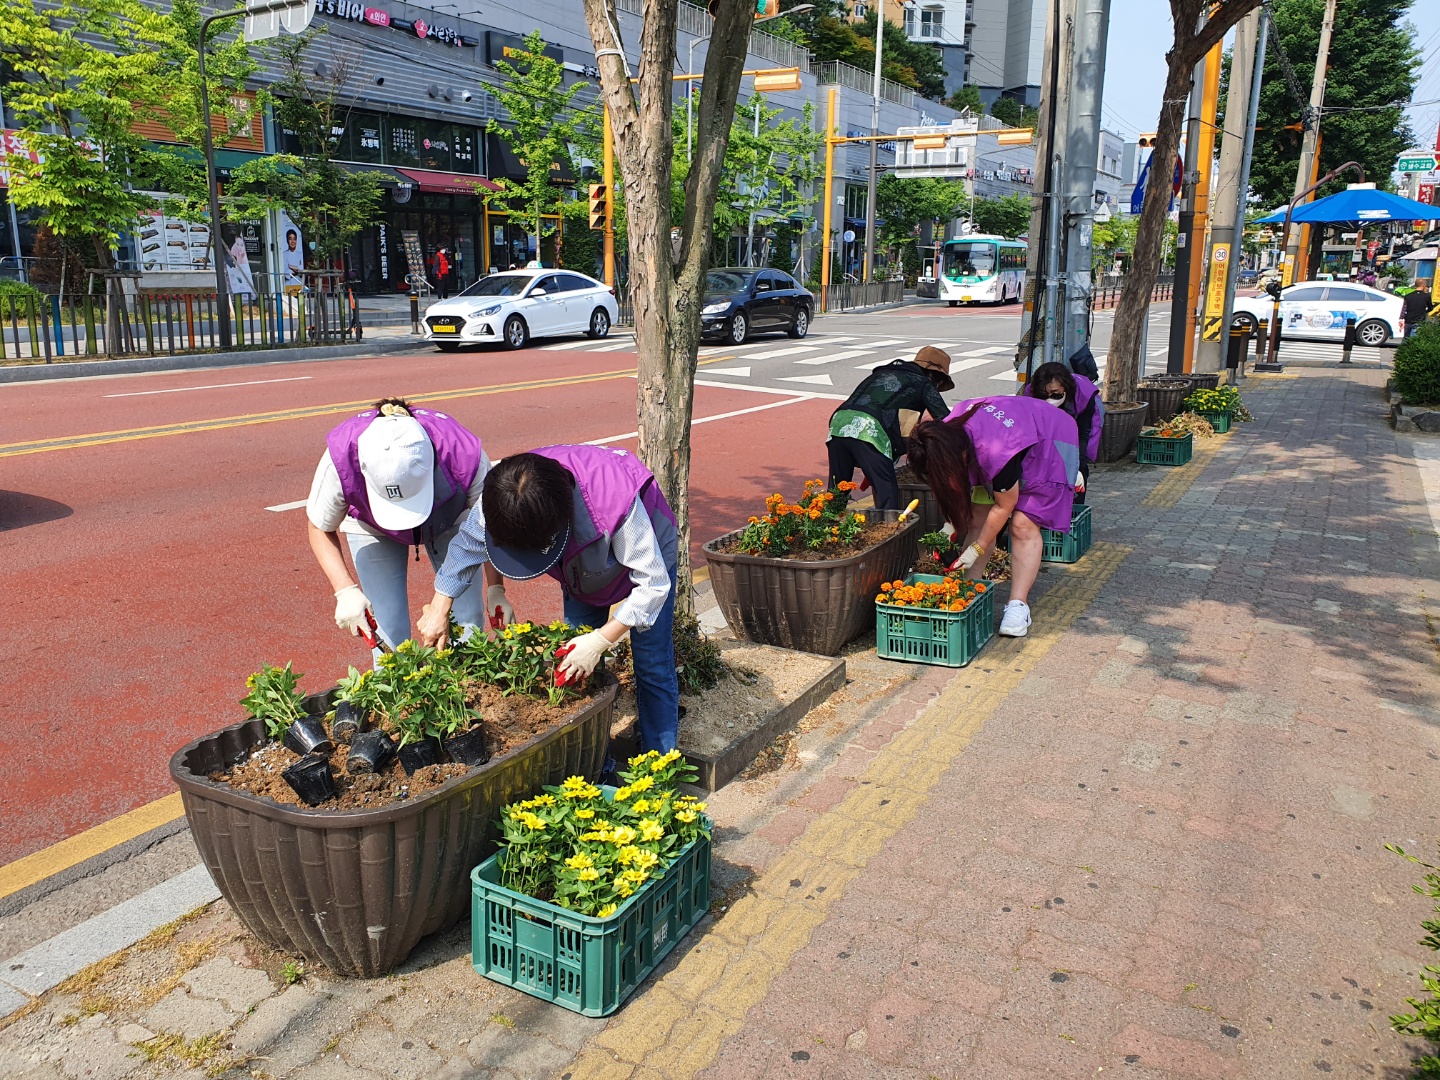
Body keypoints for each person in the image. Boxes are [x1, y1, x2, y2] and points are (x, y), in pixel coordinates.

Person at [416, 445, 680, 756]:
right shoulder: (503, 496)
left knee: (651, 663)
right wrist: (440, 608)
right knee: (575, 664)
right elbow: (466, 547)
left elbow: (653, 585)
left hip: (646, 556)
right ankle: (595, 763)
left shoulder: (611, 500)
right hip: (580, 568)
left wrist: (600, 641)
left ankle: (660, 763)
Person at [307, 398, 509, 657]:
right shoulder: (340, 458)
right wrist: (345, 591)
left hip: (450, 516)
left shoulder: (464, 455)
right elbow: (319, 527)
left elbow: (488, 525)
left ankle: (466, 685)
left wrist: (496, 589)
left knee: (467, 622)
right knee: (387, 629)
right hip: (372, 524)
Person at [908, 395, 1080, 639]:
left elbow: (1004, 505)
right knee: (978, 517)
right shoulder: (938, 436)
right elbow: (963, 496)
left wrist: (977, 548)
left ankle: (1018, 606)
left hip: (1049, 439)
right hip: (1008, 432)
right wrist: (951, 527)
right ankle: (970, 589)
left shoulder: (997, 449)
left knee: (1022, 524)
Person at [827, 346, 955, 511]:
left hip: (839, 422)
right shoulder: (923, 383)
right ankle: (889, 533)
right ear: (934, 375)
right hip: (869, 429)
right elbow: (946, 420)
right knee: (887, 495)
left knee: (837, 491)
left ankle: (827, 530)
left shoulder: (883, 373)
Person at [1024, 361, 1103, 505]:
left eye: (1055, 393)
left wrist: (1076, 467)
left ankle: (1074, 510)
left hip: (1079, 426)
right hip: (1046, 430)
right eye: (1044, 393)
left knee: (1078, 466)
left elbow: (1083, 434)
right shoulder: (1032, 391)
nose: (1049, 396)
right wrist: (1048, 408)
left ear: (1065, 386)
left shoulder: (1084, 395)